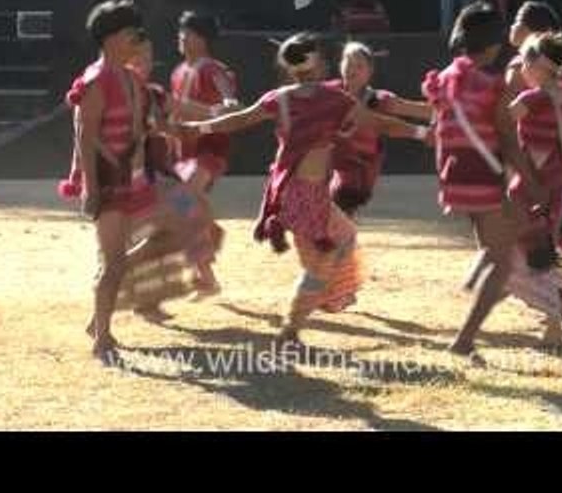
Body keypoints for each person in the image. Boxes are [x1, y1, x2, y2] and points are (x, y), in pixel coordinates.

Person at [178, 32, 430, 347]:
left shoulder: (280, 98)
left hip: (288, 192)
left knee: (342, 240)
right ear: (320, 64)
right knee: (320, 265)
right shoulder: (331, 100)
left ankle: (314, 308)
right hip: (307, 197)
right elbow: (380, 124)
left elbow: (238, 120)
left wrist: (195, 127)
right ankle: (292, 329)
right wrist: (422, 133)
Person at [61, 0, 222, 363]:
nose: (140, 41)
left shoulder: (134, 81)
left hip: (143, 181)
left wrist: (213, 120)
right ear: (114, 38)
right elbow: (84, 137)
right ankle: (101, 334)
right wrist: (89, 187)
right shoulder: (96, 80)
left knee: (189, 218)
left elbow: (162, 122)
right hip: (110, 182)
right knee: (114, 262)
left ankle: (115, 287)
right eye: (133, 34)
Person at [422, 3, 547, 357]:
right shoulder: (490, 85)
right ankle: (463, 341)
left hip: (454, 175)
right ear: (493, 45)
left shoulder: (444, 77)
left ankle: (480, 279)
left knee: (500, 243)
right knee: (504, 263)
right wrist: (532, 180)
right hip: (481, 174)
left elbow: (438, 122)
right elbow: (507, 138)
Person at [505, 32, 562, 345]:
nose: (520, 69)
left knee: (525, 249)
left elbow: (500, 122)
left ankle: (551, 319)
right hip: (560, 187)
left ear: (538, 67)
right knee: (547, 250)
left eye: (524, 62)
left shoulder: (533, 99)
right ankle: (556, 306)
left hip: (532, 190)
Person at [168, 11, 240, 300]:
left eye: (189, 33)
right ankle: (208, 267)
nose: (182, 37)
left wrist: (228, 104)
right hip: (183, 154)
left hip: (209, 151)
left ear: (203, 39)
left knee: (182, 200)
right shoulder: (177, 72)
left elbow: (229, 98)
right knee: (183, 209)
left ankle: (209, 238)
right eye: (181, 32)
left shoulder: (212, 68)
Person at [327, 41, 433, 216]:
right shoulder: (329, 93)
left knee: (342, 201)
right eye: (347, 62)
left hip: (360, 170)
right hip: (330, 163)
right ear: (340, 66)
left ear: (369, 72)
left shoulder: (380, 100)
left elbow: (418, 110)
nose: (351, 68)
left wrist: (451, 112)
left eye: (359, 65)